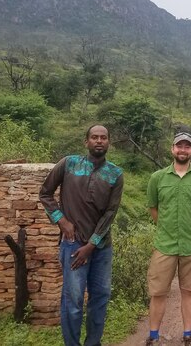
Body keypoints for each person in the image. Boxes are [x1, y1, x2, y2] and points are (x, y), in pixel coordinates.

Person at [39, 125, 124, 346]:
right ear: (86, 141)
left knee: (101, 297)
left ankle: (93, 343)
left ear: (109, 142)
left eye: (103, 137)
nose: (99, 141)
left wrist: (92, 245)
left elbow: (110, 213)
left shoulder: (115, 174)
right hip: (72, 245)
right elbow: (45, 193)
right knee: (73, 300)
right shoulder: (68, 164)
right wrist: (62, 220)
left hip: (101, 248)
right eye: (94, 137)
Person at [145, 131, 191, 346]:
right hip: (164, 244)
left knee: (188, 291)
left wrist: (189, 226)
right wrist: (167, 227)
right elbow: (154, 209)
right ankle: (154, 336)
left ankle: (188, 335)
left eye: (187, 146)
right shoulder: (158, 178)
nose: (182, 150)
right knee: (158, 292)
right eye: (179, 146)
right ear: (172, 149)